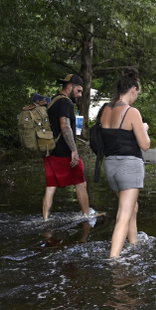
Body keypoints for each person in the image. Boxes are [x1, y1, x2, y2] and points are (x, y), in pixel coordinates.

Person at [100, 68, 150, 258]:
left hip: (110, 166)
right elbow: (145, 145)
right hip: (129, 167)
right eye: (137, 93)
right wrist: (144, 128)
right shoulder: (132, 112)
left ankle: (134, 244)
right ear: (133, 90)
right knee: (123, 215)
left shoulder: (105, 110)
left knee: (132, 208)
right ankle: (114, 260)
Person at [42, 74, 95, 220]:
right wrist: (74, 150)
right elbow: (65, 127)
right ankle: (86, 215)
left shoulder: (52, 101)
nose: (79, 95)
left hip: (49, 151)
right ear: (70, 87)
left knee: (50, 187)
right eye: (78, 91)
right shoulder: (66, 103)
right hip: (63, 153)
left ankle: (45, 219)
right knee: (80, 183)